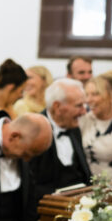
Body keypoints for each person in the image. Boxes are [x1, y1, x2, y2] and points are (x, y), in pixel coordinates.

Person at [29, 78, 91, 207]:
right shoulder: (34, 131)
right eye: (79, 105)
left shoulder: (74, 129)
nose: (84, 111)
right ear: (57, 107)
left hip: (79, 205)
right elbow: (30, 185)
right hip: (47, 208)